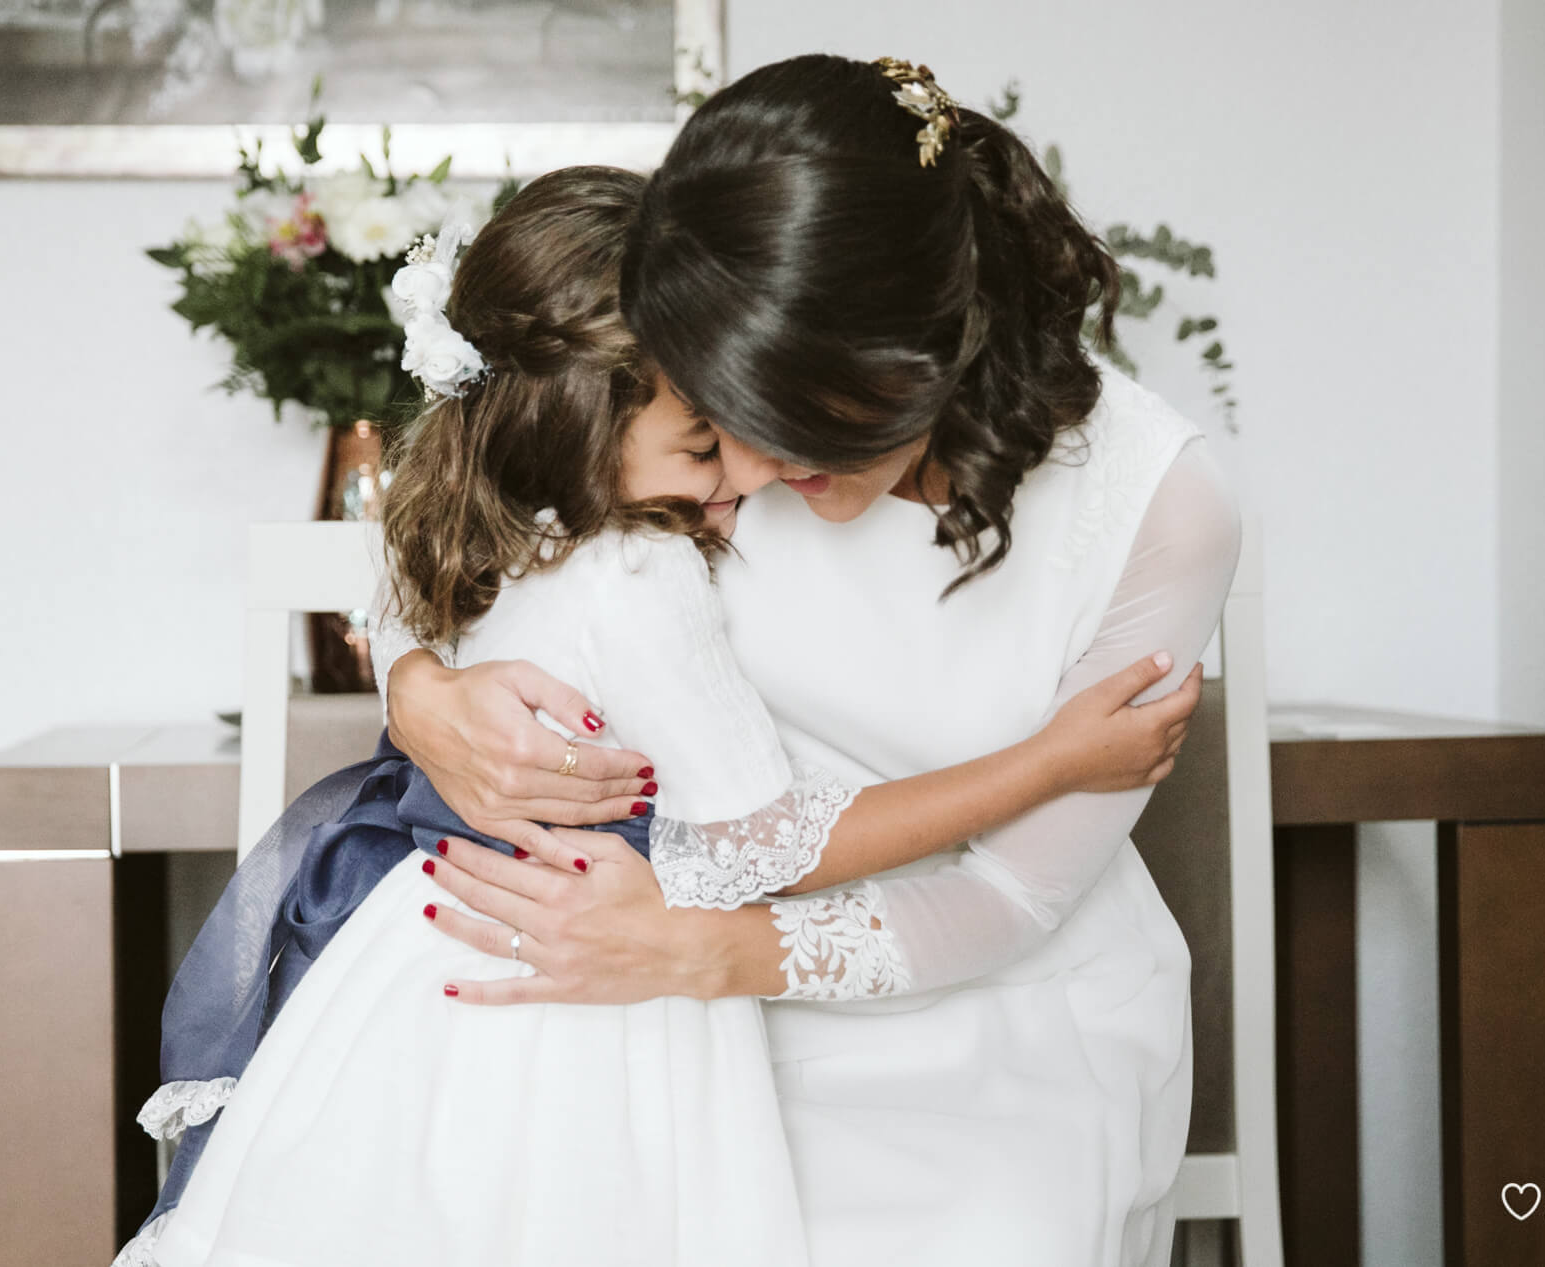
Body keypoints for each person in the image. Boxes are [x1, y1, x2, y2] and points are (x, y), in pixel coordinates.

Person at [115, 163, 1199, 1267]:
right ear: (585, 419)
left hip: (423, 975)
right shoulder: (644, 571)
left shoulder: (498, 514)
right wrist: (1055, 760)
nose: (745, 470)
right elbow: (771, 841)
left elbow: (404, 578)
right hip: (588, 988)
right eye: (704, 442)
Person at [379, 54, 1243, 1267]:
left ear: (943, 336)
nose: (763, 467)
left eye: (819, 415)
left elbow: (1011, 897)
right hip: (668, 1010)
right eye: (739, 412)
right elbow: (467, 521)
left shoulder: (1159, 504)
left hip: (999, 1019)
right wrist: (421, 693)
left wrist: (696, 951)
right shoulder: (705, 358)